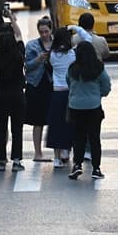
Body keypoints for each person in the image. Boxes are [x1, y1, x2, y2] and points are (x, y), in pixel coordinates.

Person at [67, 39, 111, 180]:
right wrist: (98, 95)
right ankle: (96, 168)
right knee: (94, 138)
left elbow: (68, 82)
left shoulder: (73, 69)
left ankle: (77, 165)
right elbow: (106, 86)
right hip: (93, 106)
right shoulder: (98, 68)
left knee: (78, 137)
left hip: (75, 107)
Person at [0, 22, 26, 172]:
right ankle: (16, 160)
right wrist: (12, 19)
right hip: (17, 95)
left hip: (1, 97)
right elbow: (20, 36)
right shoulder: (19, 55)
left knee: (1, 129)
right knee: (17, 129)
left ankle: (1, 160)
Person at [25, 18, 59, 163]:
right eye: (41, 32)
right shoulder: (32, 45)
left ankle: (59, 152)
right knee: (37, 121)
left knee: (56, 119)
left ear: (51, 30)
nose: (44, 34)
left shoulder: (57, 45)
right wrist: (38, 59)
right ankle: (37, 152)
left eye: (46, 31)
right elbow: (27, 66)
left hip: (53, 85)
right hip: (36, 85)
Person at [44, 27, 78, 167]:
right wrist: (75, 28)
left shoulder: (52, 55)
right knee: (69, 123)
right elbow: (86, 39)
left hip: (56, 92)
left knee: (56, 124)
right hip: (70, 92)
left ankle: (56, 158)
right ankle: (66, 150)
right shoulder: (73, 54)